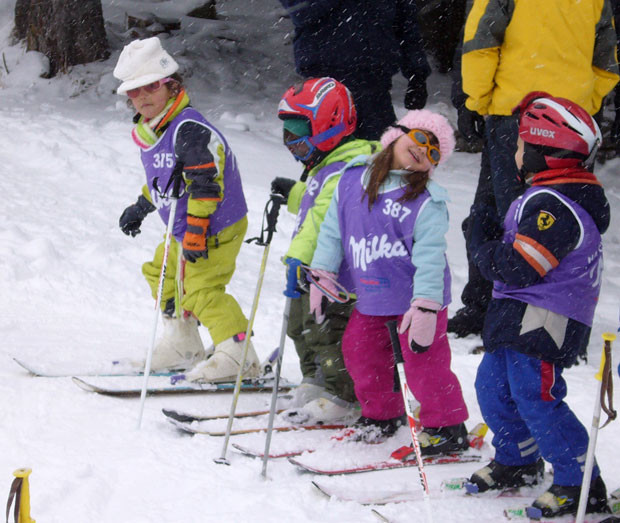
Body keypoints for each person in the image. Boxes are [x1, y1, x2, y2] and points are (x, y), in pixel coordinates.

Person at [466, 93, 611, 518]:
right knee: (492, 387)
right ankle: (518, 459)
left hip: (545, 318)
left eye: (520, 144)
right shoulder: (544, 196)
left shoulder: (555, 205)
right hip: (518, 314)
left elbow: (523, 266)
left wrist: (482, 246)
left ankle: (579, 480)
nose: (515, 152)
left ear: (541, 150)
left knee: (535, 396)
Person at [448, 0, 619, 338]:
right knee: (566, 217)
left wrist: (477, 101)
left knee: (501, 213)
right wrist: (584, 103)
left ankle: (491, 308)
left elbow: (481, 43)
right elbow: (608, 60)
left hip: (518, 113)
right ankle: (554, 316)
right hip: (572, 122)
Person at [309, 109, 470, 453]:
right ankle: (382, 414)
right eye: (421, 139)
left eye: (434, 153)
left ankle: (447, 425)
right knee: (360, 352)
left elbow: (429, 257)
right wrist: (323, 270)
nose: (424, 151)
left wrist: (426, 306)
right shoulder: (352, 180)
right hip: (372, 295)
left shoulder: (427, 202)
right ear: (396, 133)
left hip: (416, 301)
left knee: (424, 365)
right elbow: (333, 230)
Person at [113, 37, 259, 382]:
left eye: (151, 87)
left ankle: (239, 354)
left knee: (201, 289)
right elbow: (166, 179)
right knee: (161, 273)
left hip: (215, 224)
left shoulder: (188, 128)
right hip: (184, 224)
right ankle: (183, 344)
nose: (143, 97)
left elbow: (206, 185)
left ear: (170, 84)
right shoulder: (155, 130)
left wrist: (196, 231)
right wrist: (141, 206)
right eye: (135, 92)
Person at [272, 77, 380, 424]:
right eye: (286, 133)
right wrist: (294, 195)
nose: (291, 142)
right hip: (312, 269)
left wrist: (298, 259)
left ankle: (344, 396)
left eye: (297, 132)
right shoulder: (324, 166)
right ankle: (317, 379)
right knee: (301, 326)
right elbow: (314, 201)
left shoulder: (350, 167)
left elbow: (323, 217)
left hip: (334, 273)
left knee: (327, 330)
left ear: (328, 126)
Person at [277, 0, 430, 140]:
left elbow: (407, 25)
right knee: (327, 157)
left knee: (379, 157)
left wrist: (417, 75)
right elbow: (300, 12)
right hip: (323, 85)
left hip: (374, 84)